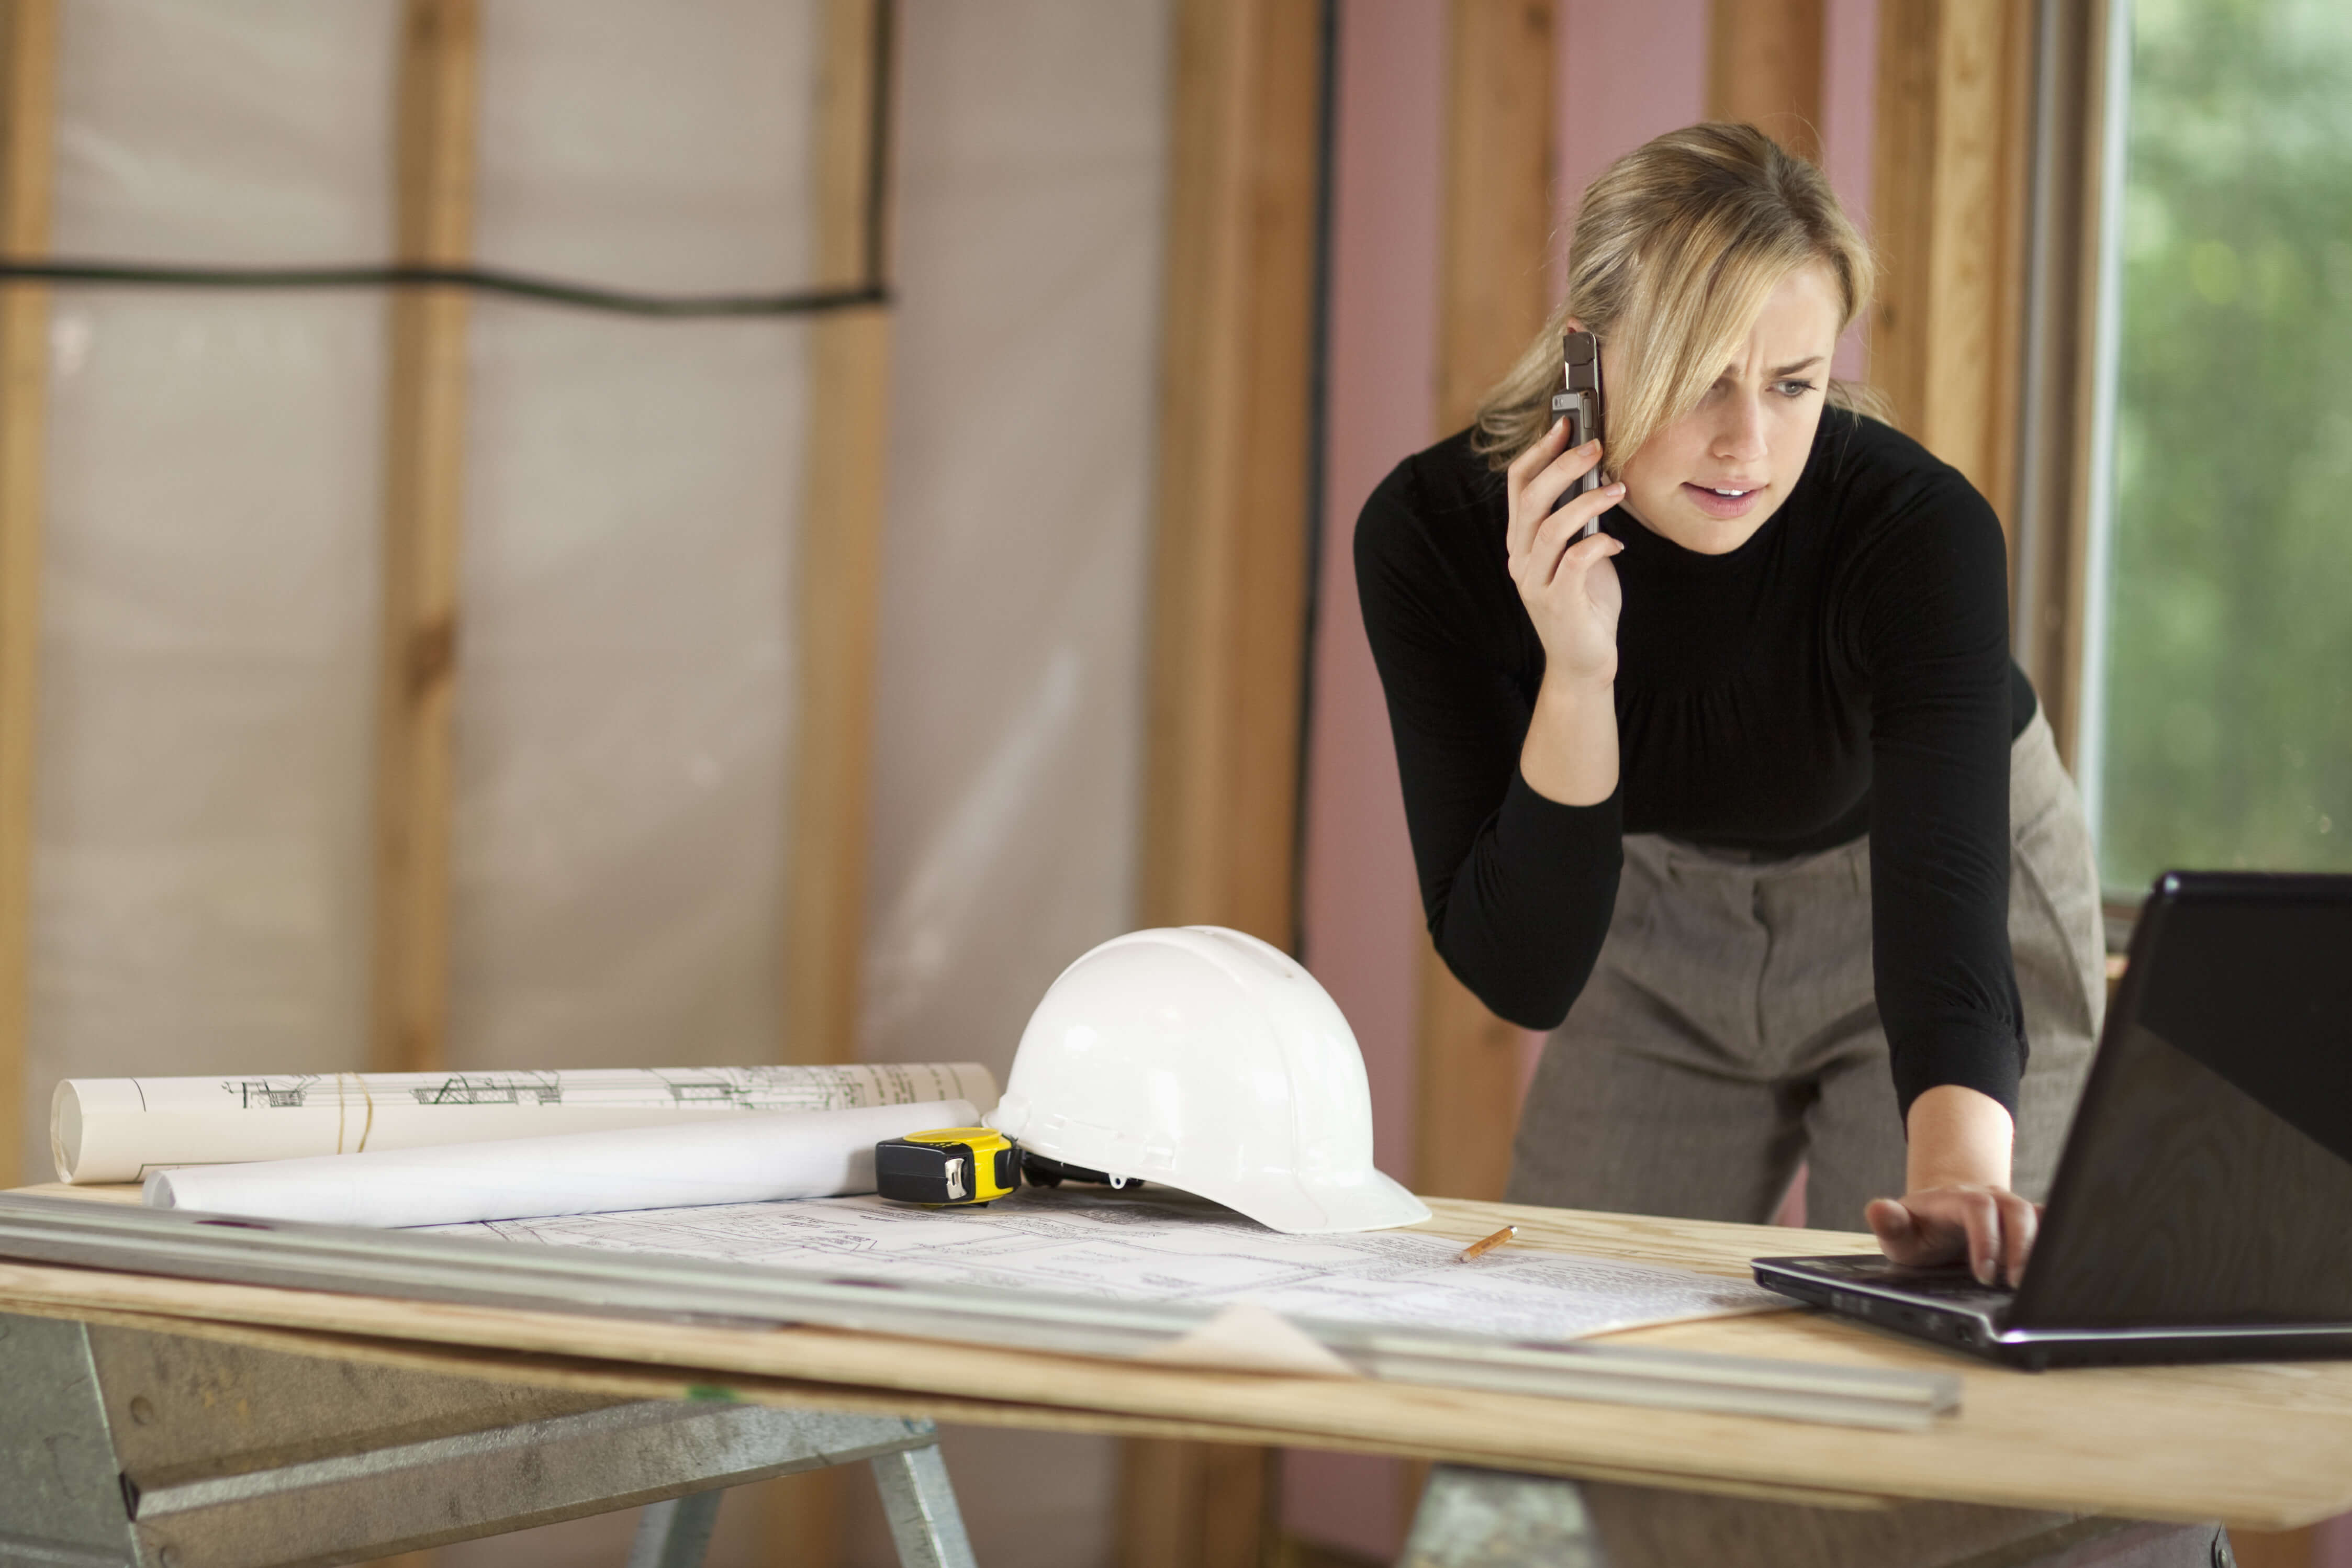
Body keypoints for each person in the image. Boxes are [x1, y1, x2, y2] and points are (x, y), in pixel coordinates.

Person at [1356, 123, 2105, 1286]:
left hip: (1924, 891)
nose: (1746, 445)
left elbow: (1947, 903)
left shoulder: (1917, 532)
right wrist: (1579, 666)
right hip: (1655, 914)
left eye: (1794, 384)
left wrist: (1960, 1173)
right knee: (1569, 1364)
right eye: (1701, 377)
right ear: (1585, 359)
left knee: (1937, 1375)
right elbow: (1526, 974)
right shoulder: (1432, 541)